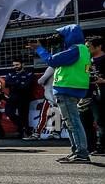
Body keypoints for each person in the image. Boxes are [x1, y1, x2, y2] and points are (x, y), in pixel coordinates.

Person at [31, 25, 94, 163]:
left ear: (69, 36)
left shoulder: (74, 50)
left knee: (73, 123)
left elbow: (52, 60)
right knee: (70, 122)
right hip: (76, 89)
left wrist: (39, 49)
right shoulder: (83, 50)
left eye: (62, 36)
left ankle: (81, 153)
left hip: (66, 89)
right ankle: (76, 151)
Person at [2, 59, 35, 140]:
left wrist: (14, 83)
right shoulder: (10, 73)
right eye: (14, 65)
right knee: (8, 112)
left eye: (17, 65)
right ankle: (23, 127)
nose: (15, 67)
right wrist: (19, 83)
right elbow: (6, 84)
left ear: (22, 64)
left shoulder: (29, 73)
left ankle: (24, 132)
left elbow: (26, 85)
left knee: (23, 115)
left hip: (24, 97)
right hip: (13, 96)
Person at [89, 36, 105, 155]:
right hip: (92, 94)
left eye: (89, 46)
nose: (87, 48)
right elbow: (86, 74)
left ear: (99, 46)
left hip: (103, 92)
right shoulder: (88, 60)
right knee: (97, 120)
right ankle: (97, 146)